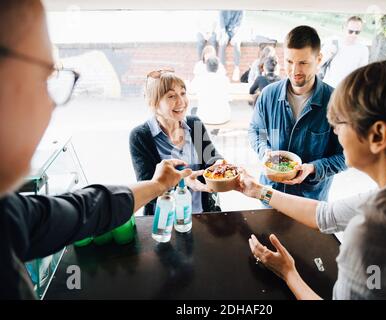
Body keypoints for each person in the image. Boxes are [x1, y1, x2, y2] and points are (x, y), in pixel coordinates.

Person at [0, 0, 192, 299]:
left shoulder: (9, 213)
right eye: (43, 78)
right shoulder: (140, 135)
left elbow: (84, 210)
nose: (50, 106)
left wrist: (157, 184)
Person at [238, 59, 386, 299]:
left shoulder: (371, 237)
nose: (335, 131)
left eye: (340, 123)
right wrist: (257, 191)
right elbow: (326, 215)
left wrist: (288, 273)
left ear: (378, 134)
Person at [248, 25, 346, 202]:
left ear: (319, 59)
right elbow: (257, 131)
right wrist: (264, 150)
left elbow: (346, 155)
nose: (294, 71)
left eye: (303, 63)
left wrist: (314, 168)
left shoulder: (336, 102)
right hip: (270, 194)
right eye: (289, 62)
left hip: (310, 201)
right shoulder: (268, 95)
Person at [129, 69, 223, 215]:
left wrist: (219, 165)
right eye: (171, 96)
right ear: (154, 103)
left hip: (202, 213)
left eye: (183, 93)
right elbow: (146, 190)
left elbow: (211, 157)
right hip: (165, 221)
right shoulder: (140, 136)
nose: (181, 102)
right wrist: (182, 182)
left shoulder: (194, 123)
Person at [320, 16, 369, 88]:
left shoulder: (363, 49)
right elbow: (318, 65)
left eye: (357, 32)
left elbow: (362, 75)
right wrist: (328, 55)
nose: (353, 35)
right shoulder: (332, 42)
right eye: (350, 31)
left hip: (346, 91)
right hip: (327, 87)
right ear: (343, 28)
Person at [191, 56, 231, 125]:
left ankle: (198, 135)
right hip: (223, 117)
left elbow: (191, 90)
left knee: (193, 110)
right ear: (218, 67)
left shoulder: (200, 79)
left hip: (204, 117)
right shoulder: (224, 79)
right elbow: (229, 97)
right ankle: (213, 134)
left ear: (206, 67)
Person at [218, 10, 244, 82]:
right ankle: (222, 69)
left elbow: (240, 25)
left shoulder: (240, 10)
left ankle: (236, 67)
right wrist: (224, 35)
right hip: (224, 31)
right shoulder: (223, 8)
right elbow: (221, 24)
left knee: (237, 43)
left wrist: (234, 36)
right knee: (222, 44)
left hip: (235, 32)